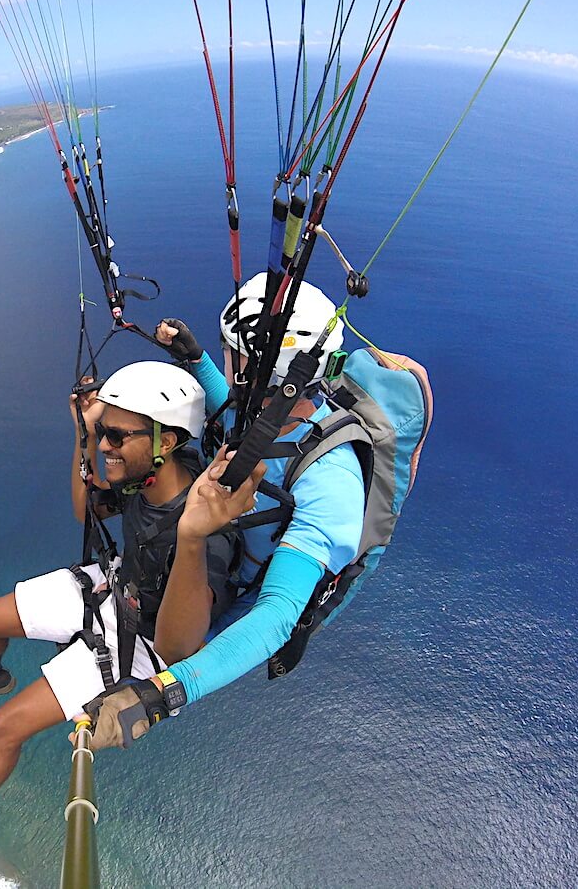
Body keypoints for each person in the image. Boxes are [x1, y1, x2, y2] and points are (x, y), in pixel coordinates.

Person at [0, 360, 237, 864]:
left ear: (166, 442)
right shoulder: (148, 477)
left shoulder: (203, 527)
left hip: (144, 641)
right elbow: (82, 508)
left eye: (116, 435)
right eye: (104, 431)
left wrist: (194, 538)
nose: (106, 444)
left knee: (3, 727)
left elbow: (179, 648)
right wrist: (83, 435)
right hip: (115, 587)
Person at [78, 277, 368, 750]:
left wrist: (163, 694)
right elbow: (230, 411)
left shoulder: (331, 480)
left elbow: (276, 613)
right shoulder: (275, 414)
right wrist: (194, 360)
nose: (227, 362)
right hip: (219, 541)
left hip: (231, 593)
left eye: (231, 353)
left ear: (257, 370)